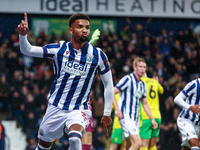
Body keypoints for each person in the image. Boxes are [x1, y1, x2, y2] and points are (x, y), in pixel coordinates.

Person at [18, 13, 114, 150]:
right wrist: (22, 35)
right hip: (55, 107)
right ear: (70, 30)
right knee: (42, 147)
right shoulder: (59, 49)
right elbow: (27, 49)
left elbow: (109, 84)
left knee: (75, 139)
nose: (85, 30)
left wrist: (106, 113)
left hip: (79, 109)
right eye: (80, 27)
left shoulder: (98, 55)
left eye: (87, 27)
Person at [112, 57, 158, 150]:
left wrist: (152, 119)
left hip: (135, 119)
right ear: (134, 67)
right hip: (125, 116)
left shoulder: (143, 85)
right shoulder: (127, 79)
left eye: (144, 67)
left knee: (129, 145)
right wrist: (117, 110)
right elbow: (112, 92)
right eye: (140, 66)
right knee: (137, 143)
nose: (142, 69)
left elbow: (145, 104)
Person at [139, 73, 164, 150]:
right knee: (152, 145)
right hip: (157, 116)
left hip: (146, 116)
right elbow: (161, 91)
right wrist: (156, 82)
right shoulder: (154, 82)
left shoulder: (139, 82)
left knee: (143, 144)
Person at [174, 78, 200, 150]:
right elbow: (177, 99)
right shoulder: (194, 84)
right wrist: (190, 107)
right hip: (186, 119)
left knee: (187, 148)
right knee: (195, 144)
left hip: (197, 124)